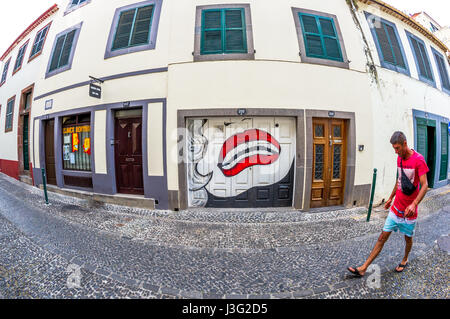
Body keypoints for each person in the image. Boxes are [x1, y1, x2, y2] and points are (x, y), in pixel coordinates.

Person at [347, 131, 429, 276]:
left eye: (397, 148)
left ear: (404, 144)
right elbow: (399, 180)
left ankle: (405, 259)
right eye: (394, 149)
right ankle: (363, 268)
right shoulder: (400, 159)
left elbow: (424, 185)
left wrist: (414, 204)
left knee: (408, 238)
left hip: (409, 211)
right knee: (382, 237)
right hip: (397, 208)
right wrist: (391, 197)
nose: (396, 152)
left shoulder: (419, 160)